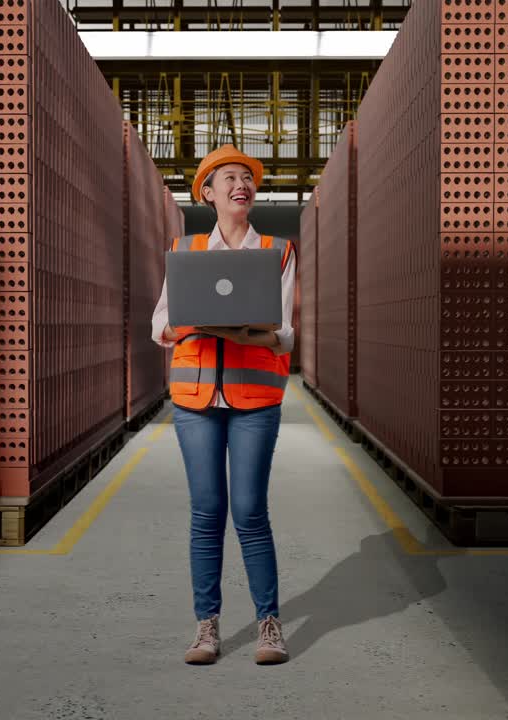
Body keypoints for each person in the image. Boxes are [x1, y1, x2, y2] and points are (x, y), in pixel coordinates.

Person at [151, 145, 296, 665]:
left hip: (254, 399)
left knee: (250, 512)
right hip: (195, 402)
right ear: (207, 193)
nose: (241, 184)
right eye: (228, 177)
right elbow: (160, 325)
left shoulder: (277, 251)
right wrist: (193, 322)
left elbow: (283, 331)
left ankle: (269, 626)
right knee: (207, 512)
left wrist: (247, 331)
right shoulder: (185, 250)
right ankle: (206, 627)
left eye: (247, 178)